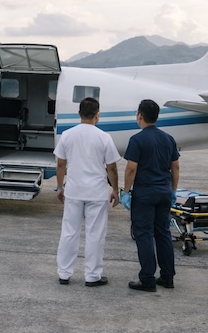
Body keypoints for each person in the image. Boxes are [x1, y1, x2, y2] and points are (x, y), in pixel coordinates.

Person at [54, 97, 120, 287]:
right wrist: (115, 190)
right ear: (97, 115)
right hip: (96, 192)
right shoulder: (104, 137)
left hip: (74, 190)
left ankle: (64, 273)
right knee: (95, 234)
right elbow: (111, 167)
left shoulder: (67, 135)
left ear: (79, 113)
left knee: (69, 232)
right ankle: (92, 275)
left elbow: (61, 164)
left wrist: (60, 187)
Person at [124, 99, 179, 291]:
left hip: (145, 193)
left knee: (144, 234)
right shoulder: (168, 139)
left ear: (140, 116)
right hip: (164, 191)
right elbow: (175, 167)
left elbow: (131, 168)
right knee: (163, 233)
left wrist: (126, 192)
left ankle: (147, 278)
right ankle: (167, 277)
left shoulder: (137, 139)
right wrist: (173, 190)